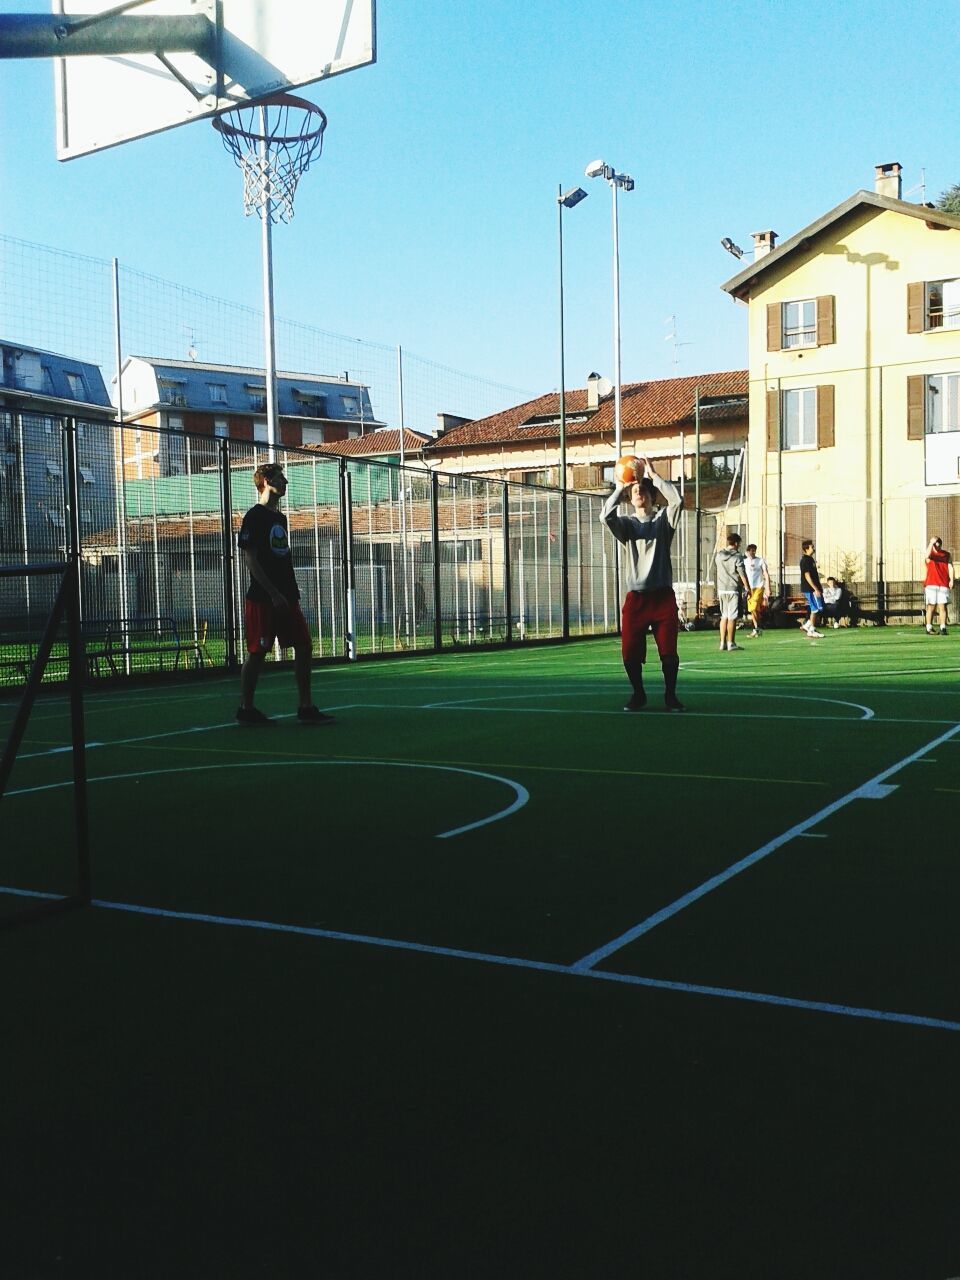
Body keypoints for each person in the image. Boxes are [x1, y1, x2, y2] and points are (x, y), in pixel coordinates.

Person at [236, 461, 334, 726]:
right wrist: (272, 592)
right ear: (266, 481)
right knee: (258, 652)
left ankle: (305, 706)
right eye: (281, 478)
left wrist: (288, 590)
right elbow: (251, 559)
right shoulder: (254, 517)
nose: (285, 483)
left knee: (303, 645)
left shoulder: (280, 518)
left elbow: (280, 556)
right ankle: (246, 708)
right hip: (263, 598)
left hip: (287, 596)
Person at [600, 456, 684, 712]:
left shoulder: (663, 522)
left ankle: (670, 695)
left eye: (643, 490)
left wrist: (654, 476)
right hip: (636, 599)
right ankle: (638, 694)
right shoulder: (627, 525)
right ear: (630, 497)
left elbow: (678, 500)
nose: (639, 494)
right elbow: (605, 517)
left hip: (662, 598)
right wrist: (619, 487)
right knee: (629, 653)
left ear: (651, 496)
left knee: (668, 652)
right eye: (635, 491)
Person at [715, 532, 750, 651]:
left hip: (721, 589)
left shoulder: (719, 555)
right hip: (733, 589)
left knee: (724, 616)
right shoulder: (737, 556)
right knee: (732, 617)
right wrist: (747, 587)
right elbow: (742, 573)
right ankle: (731, 642)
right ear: (735, 543)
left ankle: (722, 643)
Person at [924, 536, 954, 635]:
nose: (937, 545)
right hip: (931, 584)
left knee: (943, 606)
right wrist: (930, 543)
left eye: (938, 543)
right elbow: (927, 556)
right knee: (931, 606)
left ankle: (943, 627)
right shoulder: (930, 555)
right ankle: (929, 627)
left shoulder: (946, 555)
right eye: (935, 544)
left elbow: (950, 566)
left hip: (943, 584)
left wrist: (952, 580)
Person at [743, 543, 771, 637]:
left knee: (754, 607)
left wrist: (768, 587)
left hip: (758, 587)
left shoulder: (760, 561)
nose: (752, 552)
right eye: (750, 550)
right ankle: (757, 628)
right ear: (747, 552)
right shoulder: (744, 562)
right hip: (749, 589)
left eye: (754, 550)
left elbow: (766, 574)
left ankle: (757, 628)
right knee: (753, 610)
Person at [799, 539, 824, 638]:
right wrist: (815, 589)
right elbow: (807, 576)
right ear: (806, 548)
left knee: (818, 608)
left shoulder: (811, 559)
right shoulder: (805, 560)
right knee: (815, 610)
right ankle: (811, 630)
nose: (814, 548)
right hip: (810, 589)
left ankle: (807, 625)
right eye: (812, 547)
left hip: (814, 588)